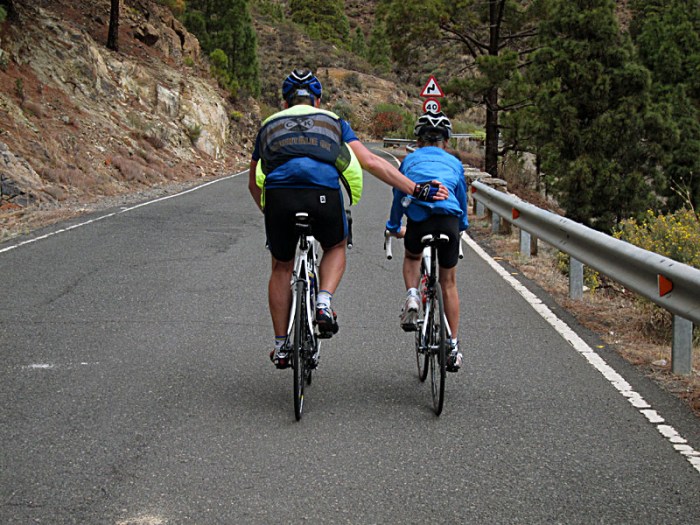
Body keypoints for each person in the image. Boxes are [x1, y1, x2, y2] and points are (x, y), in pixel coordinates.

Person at [249, 69, 448, 368]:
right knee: (336, 246)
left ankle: (280, 347)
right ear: (318, 101)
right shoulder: (334, 121)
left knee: (281, 266)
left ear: (285, 102)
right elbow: (370, 161)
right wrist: (416, 189)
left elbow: (253, 182)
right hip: (323, 193)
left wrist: (271, 213)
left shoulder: (268, 125)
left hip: (279, 197)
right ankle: (323, 302)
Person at [385, 112, 468, 372]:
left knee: (412, 256)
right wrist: (461, 227)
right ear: (446, 141)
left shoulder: (409, 160)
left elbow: (399, 194)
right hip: (449, 221)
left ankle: (412, 297)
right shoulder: (454, 163)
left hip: (420, 221)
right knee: (448, 282)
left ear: (418, 141)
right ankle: (452, 346)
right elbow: (462, 199)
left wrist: (393, 226)